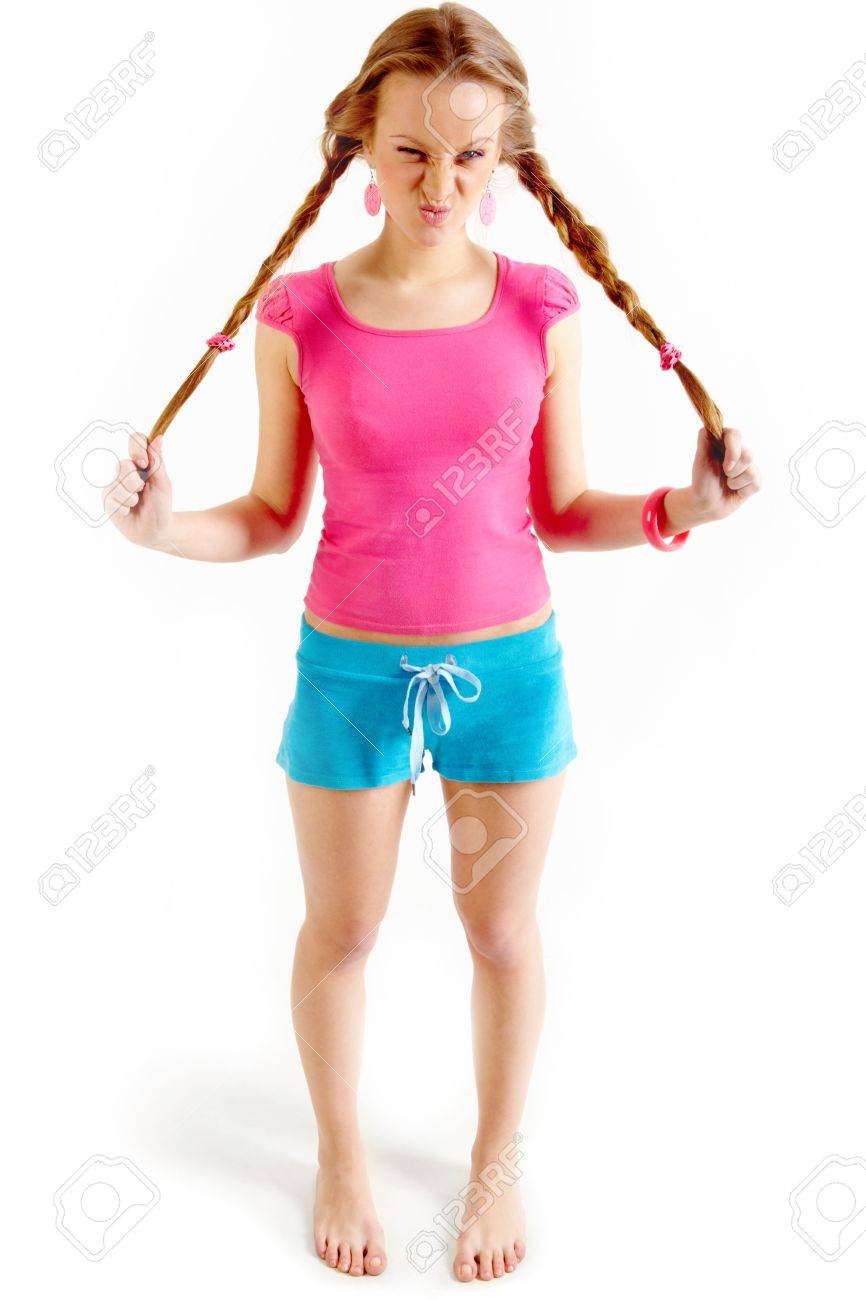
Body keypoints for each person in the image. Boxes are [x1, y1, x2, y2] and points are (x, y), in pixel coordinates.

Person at [103, 4, 760, 1282]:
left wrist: (684, 508)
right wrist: (160, 529)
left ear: (505, 158)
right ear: (361, 142)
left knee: (501, 936)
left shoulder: (540, 308)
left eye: (469, 155)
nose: (439, 183)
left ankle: (493, 1161)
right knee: (340, 934)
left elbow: (561, 512)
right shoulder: (299, 316)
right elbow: (270, 516)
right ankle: (340, 1153)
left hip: (507, 676)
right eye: (410, 151)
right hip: (349, 674)